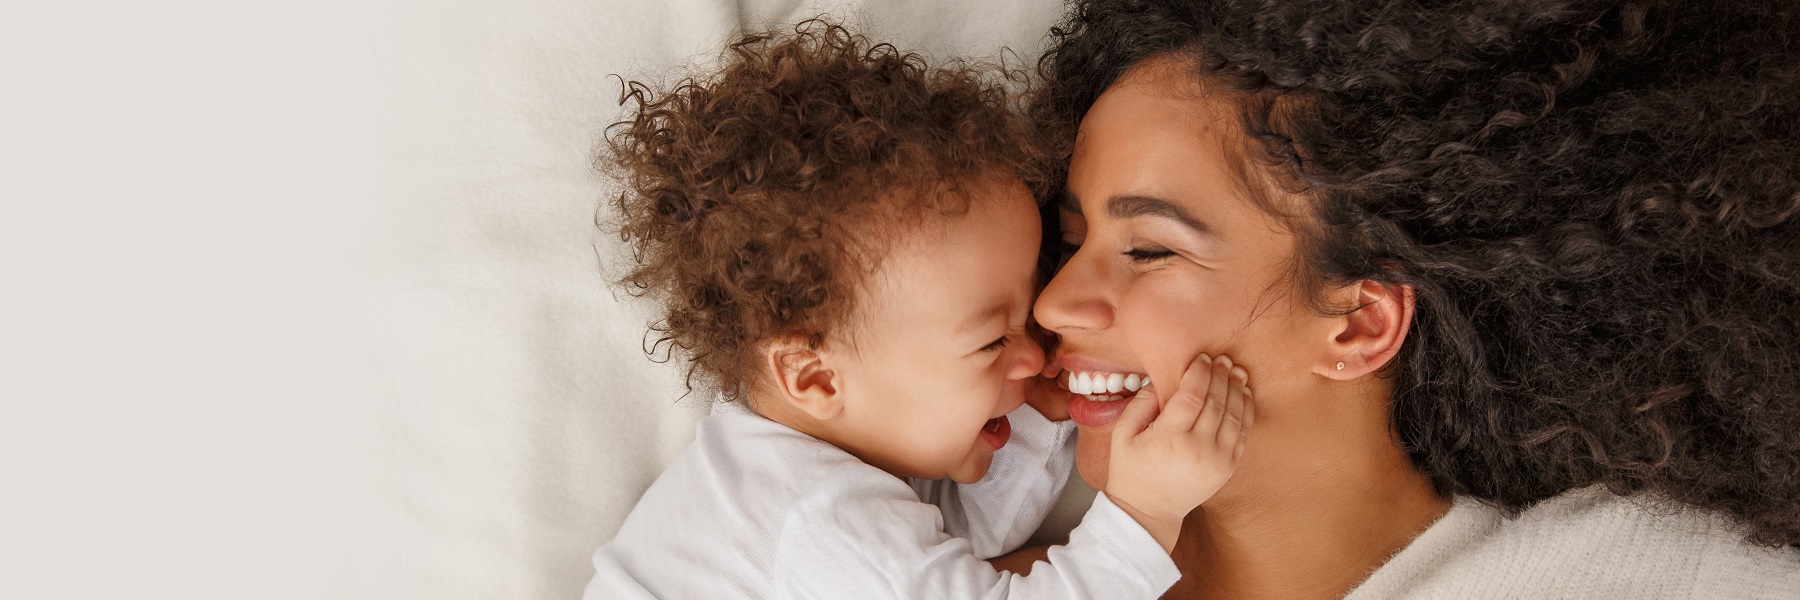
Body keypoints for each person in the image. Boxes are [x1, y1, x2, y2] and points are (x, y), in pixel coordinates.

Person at [1012, 0, 1800, 597]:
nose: (1053, 304)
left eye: (1149, 250)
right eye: (1072, 240)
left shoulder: (1658, 578)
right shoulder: (993, 583)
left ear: (1360, 322)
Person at [584, 20, 1254, 599]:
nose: (1036, 350)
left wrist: (1033, 422)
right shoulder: (817, 516)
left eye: (1023, 319)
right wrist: (1143, 513)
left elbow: (956, 547)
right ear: (815, 377)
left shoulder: (801, 466)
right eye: (992, 342)